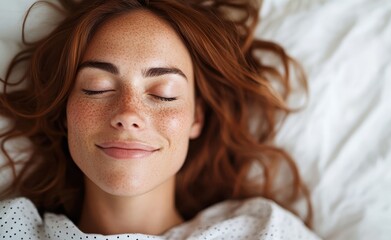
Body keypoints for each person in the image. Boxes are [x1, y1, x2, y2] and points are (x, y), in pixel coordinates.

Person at [0, 0, 320, 239]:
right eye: (97, 88)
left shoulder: (265, 232)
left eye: (164, 93)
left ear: (197, 118)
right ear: (65, 113)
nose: (128, 114)